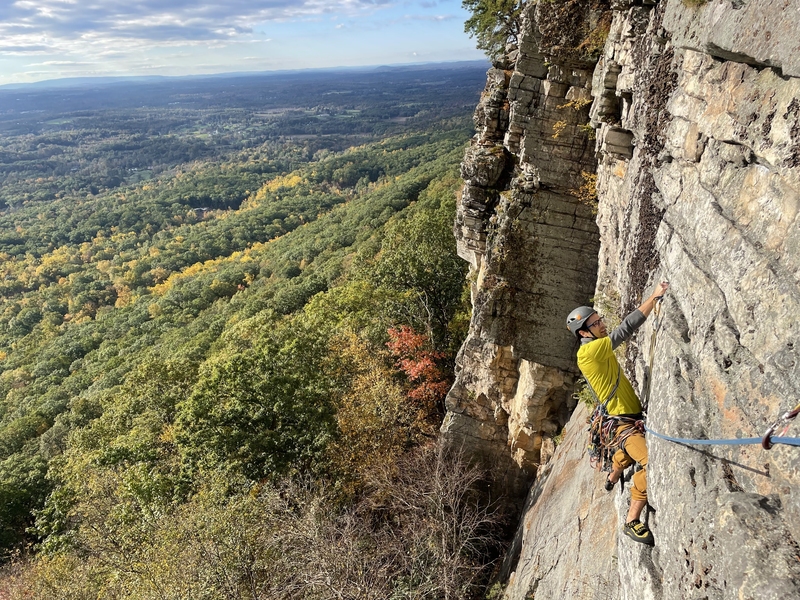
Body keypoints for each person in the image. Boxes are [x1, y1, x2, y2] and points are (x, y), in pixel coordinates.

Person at [565, 282, 669, 546]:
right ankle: (632, 521)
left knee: (625, 452)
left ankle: (613, 475)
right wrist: (654, 298)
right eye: (596, 323)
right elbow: (625, 329)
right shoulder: (589, 350)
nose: (602, 325)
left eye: (600, 320)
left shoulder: (592, 347)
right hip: (624, 424)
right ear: (583, 331)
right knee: (649, 463)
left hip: (622, 418)